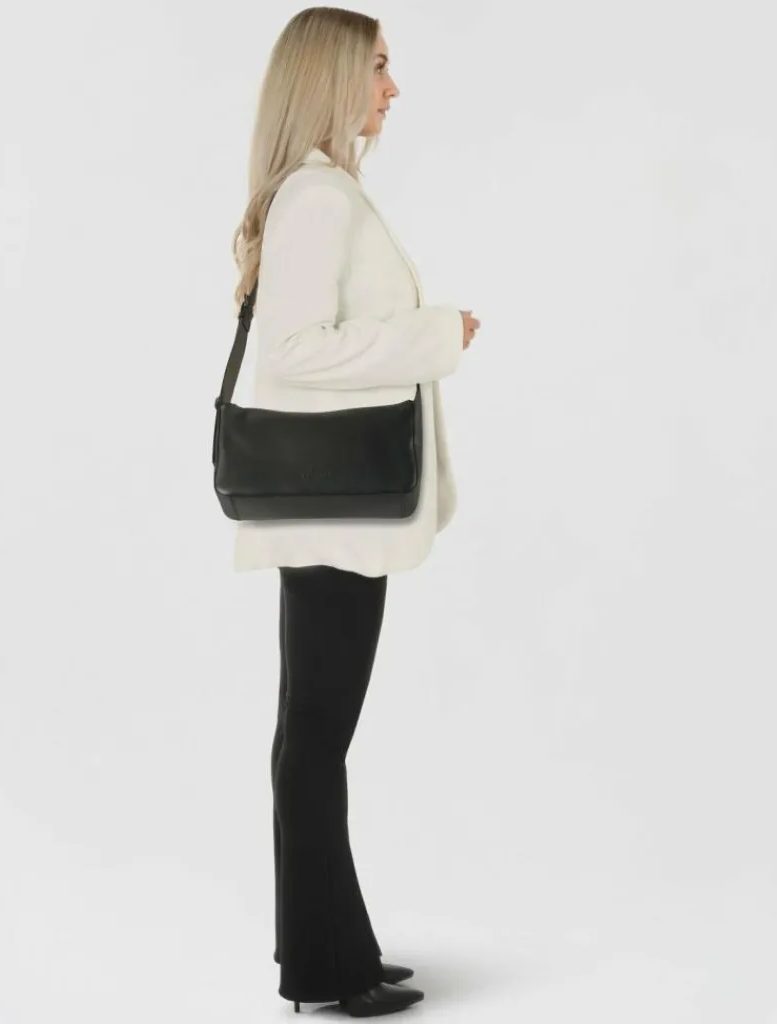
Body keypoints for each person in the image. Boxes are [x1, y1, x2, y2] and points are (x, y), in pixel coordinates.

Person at [228, 6, 481, 1017]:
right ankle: (327, 969)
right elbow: (293, 352)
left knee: (310, 734)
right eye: (377, 67)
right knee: (316, 738)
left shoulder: (318, 192)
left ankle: (328, 952)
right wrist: (436, 334)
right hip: (336, 511)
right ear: (332, 78)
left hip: (331, 509)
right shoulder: (319, 198)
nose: (391, 88)